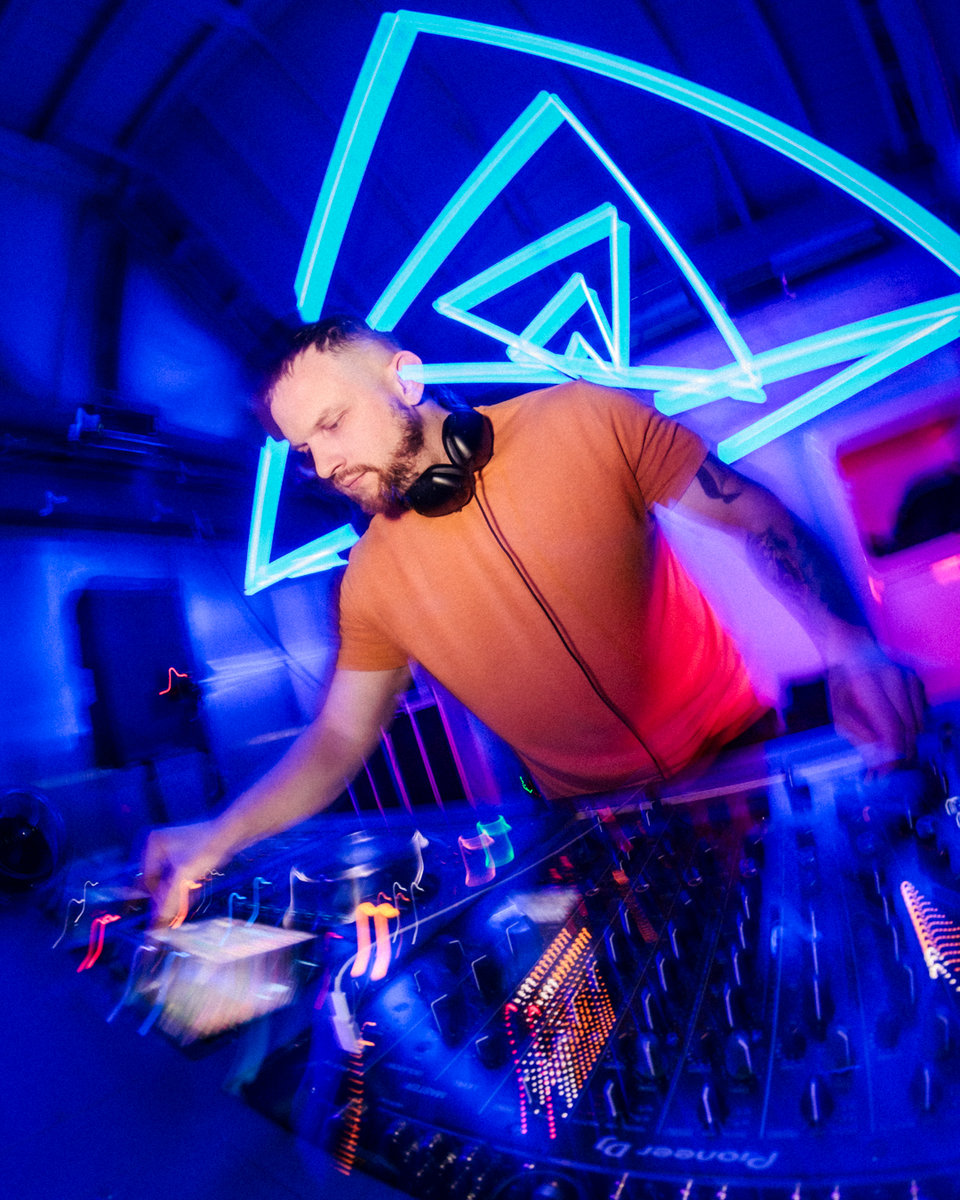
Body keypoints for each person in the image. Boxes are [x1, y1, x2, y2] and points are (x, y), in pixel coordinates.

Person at [144, 316, 924, 924]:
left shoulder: (585, 419)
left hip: (743, 761)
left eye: (332, 424)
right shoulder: (370, 582)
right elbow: (338, 739)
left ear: (405, 379)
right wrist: (217, 838)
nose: (320, 465)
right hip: (599, 834)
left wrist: (849, 647)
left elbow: (755, 515)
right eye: (301, 448)